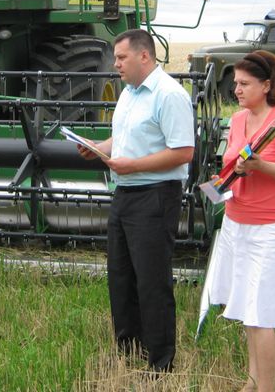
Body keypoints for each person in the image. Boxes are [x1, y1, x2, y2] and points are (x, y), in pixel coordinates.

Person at [77, 29, 194, 372]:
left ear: (145, 56)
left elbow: (183, 152)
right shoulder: (129, 93)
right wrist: (100, 148)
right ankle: (129, 352)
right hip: (125, 193)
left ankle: (160, 364)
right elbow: (126, 138)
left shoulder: (169, 95)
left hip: (155, 197)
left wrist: (134, 165)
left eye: (121, 58)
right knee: (122, 277)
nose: (116, 64)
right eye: (115, 58)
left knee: (151, 281)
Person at [207, 50, 275, 392]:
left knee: (262, 313)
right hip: (238, 223)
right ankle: (250, 384)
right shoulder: (238, 120)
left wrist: (260, 166)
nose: (236, 90)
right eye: (235, 83)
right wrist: (218, 181)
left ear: (267, 85)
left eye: (244, 83)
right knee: (246, 309)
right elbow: (231, 165)